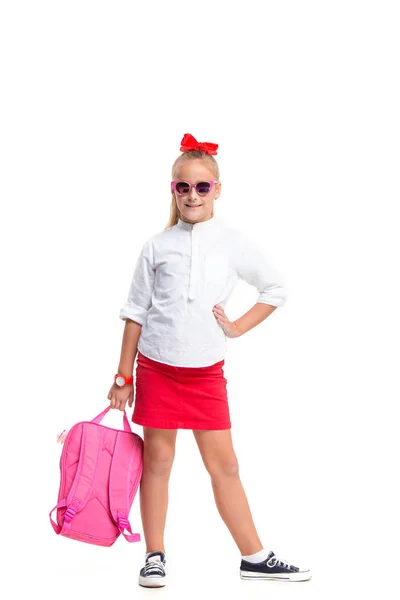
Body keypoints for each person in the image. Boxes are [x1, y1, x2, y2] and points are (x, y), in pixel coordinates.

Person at [108, 133, 312, 587]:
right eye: (184, 187)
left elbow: (275, 289)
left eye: (202, 187)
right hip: (157, 369)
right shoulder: (157, 245)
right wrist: (124, 375)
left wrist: (237, 327)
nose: (192, 195)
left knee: (226, 466)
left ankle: (254, 556)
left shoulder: (234, 243)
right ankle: (154, 555)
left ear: (217, 190)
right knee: (158, 462)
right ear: (173, 190)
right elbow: (135, 312)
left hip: (205, 375)